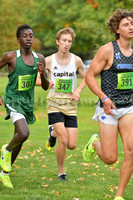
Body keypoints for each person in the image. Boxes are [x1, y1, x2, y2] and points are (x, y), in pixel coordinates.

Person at [83, 9, 133, 200]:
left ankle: (119, 195)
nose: (131, 27)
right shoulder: (108, 50)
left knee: (131, 151)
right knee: (110, 158)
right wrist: (104, 98)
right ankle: (94, 143)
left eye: (132, 23)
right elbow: (89, 76)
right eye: (126, 24)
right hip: (108, 108)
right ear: (117, 29)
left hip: (129, 107)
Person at [0, 24, 51, 188]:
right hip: (13, 100)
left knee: (20, 139)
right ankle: (6, 150)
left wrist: (42, 74)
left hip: (27, 103)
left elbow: (44, 86)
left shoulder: (40, 58)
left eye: (31, 36)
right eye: (24, 35)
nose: (28, 38)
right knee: (24, 133)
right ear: (18, 39)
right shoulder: (10, 57)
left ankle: (5, 173)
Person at [36, 27, 86, 181]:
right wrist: (47, 82)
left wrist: (78, 90)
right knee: (63, 140)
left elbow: (88, 77)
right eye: (64, 40)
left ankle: (52, 133)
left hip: (70, 106)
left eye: (69, 41)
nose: (67, 44)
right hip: (54, 103)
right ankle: (61, 172)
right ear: (57, 42)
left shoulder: (76, 60)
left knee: (72, 144)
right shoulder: (48, 60)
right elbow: (37, 80)